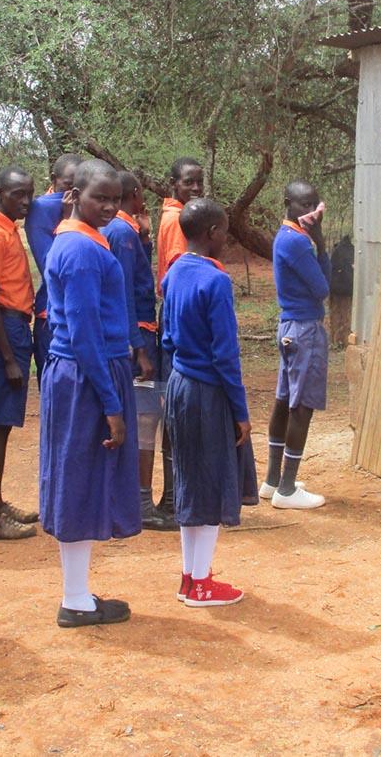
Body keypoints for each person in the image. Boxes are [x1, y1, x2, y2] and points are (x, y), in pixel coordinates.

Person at [40, 159, 141, 628]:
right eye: (99, 197)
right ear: (73, 195)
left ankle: (77, 593)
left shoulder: (84, 241)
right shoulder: (80, 249)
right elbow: (82, 334)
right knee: (78, 480)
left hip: (88, 370)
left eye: (115, 199)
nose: (108, 206)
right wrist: (112, 403)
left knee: (79, 478)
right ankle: (75, 599)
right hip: (85, 374)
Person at [161, 198, 256, 607]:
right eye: (225, 230)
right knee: (213, 483)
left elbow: (166, 338)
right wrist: (241, 412)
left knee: (188, 481)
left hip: (179, 387)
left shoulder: (174, 272)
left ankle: (189, 576)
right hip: (208, 392)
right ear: (212, 233)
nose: (227, 236)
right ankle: (201, 583)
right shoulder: (216, 282)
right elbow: (225, 355)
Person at [103, 172, 174, 532]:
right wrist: (139, 348)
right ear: (134, 194)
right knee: (145, 418)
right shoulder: (122, 232)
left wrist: (144, 237)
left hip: (135, 335)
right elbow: (126, 295)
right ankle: (142, 502)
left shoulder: (125, 232)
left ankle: (131, 498)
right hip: (138, 337)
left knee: (139, 415)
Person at [0, 168, 40, 540]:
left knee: (4, 418)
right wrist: (8, 357)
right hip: (5, 325)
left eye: (29, 194)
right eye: (18, 194)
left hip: (17, 324)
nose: (26, 202)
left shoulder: (8, 227)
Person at [262, 181, 330, 509]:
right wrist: (321, 242)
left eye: (313, 204)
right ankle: (287, 489)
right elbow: (322, 287)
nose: (309, 211)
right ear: (287, 203)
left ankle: (273, 479)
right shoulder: (299, 243)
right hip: (305, 329)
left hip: (289, 325)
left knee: (284, 400)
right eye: (302, 204)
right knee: (301, 406)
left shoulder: (285, 236)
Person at [152, 157, 205, 519]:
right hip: (176, 318)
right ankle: (172, 499)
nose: (196, 189)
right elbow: (176, 279)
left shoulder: (178, 215)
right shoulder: (176, 220)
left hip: (175, 316)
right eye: (189, 182)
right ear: (173, 183)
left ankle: (178, 497)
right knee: (176, 409)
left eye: (200, 182)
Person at [26, 153, 85, 381]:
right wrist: (70, 220)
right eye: (67, 186)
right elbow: (52, 268)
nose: (71, 194)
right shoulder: (41, 210)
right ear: (54, 178)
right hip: (51, 313)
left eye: (78, 188)